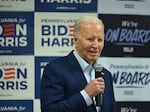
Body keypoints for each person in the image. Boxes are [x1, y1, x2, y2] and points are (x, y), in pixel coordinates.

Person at [40, 16, 116, 112]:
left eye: (100, 40)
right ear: (76, 40)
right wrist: (85, 95)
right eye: (90, 39)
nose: (96, 45)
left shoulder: (106, 75)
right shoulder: (55, 69)